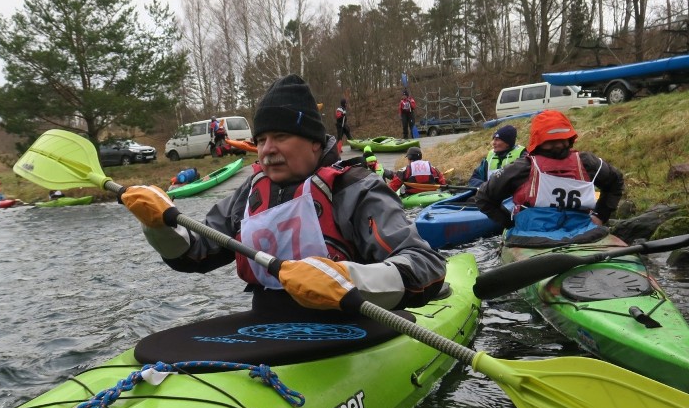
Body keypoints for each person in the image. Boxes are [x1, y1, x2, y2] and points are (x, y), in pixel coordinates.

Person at [122, 74, 446, 320]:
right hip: (271, 329)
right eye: (261, 139)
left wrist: (348, 279)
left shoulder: (357, 189)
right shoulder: (250, 193)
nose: (267, 150)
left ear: (315, 143)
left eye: (280, 136)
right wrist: (158, 227)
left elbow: (426, 265)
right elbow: (194, 253)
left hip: (352, 328)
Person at [475, 110, 624, 247]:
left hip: (583, 232)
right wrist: (510, 223)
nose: (558, 145)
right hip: (532, 236)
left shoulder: (586, 162)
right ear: (539, 142)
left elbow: (615, 182)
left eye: (561, 139)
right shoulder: (523, 168)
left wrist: (600, 216)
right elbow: (484, 196)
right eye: (550, 141)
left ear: (569, 139)